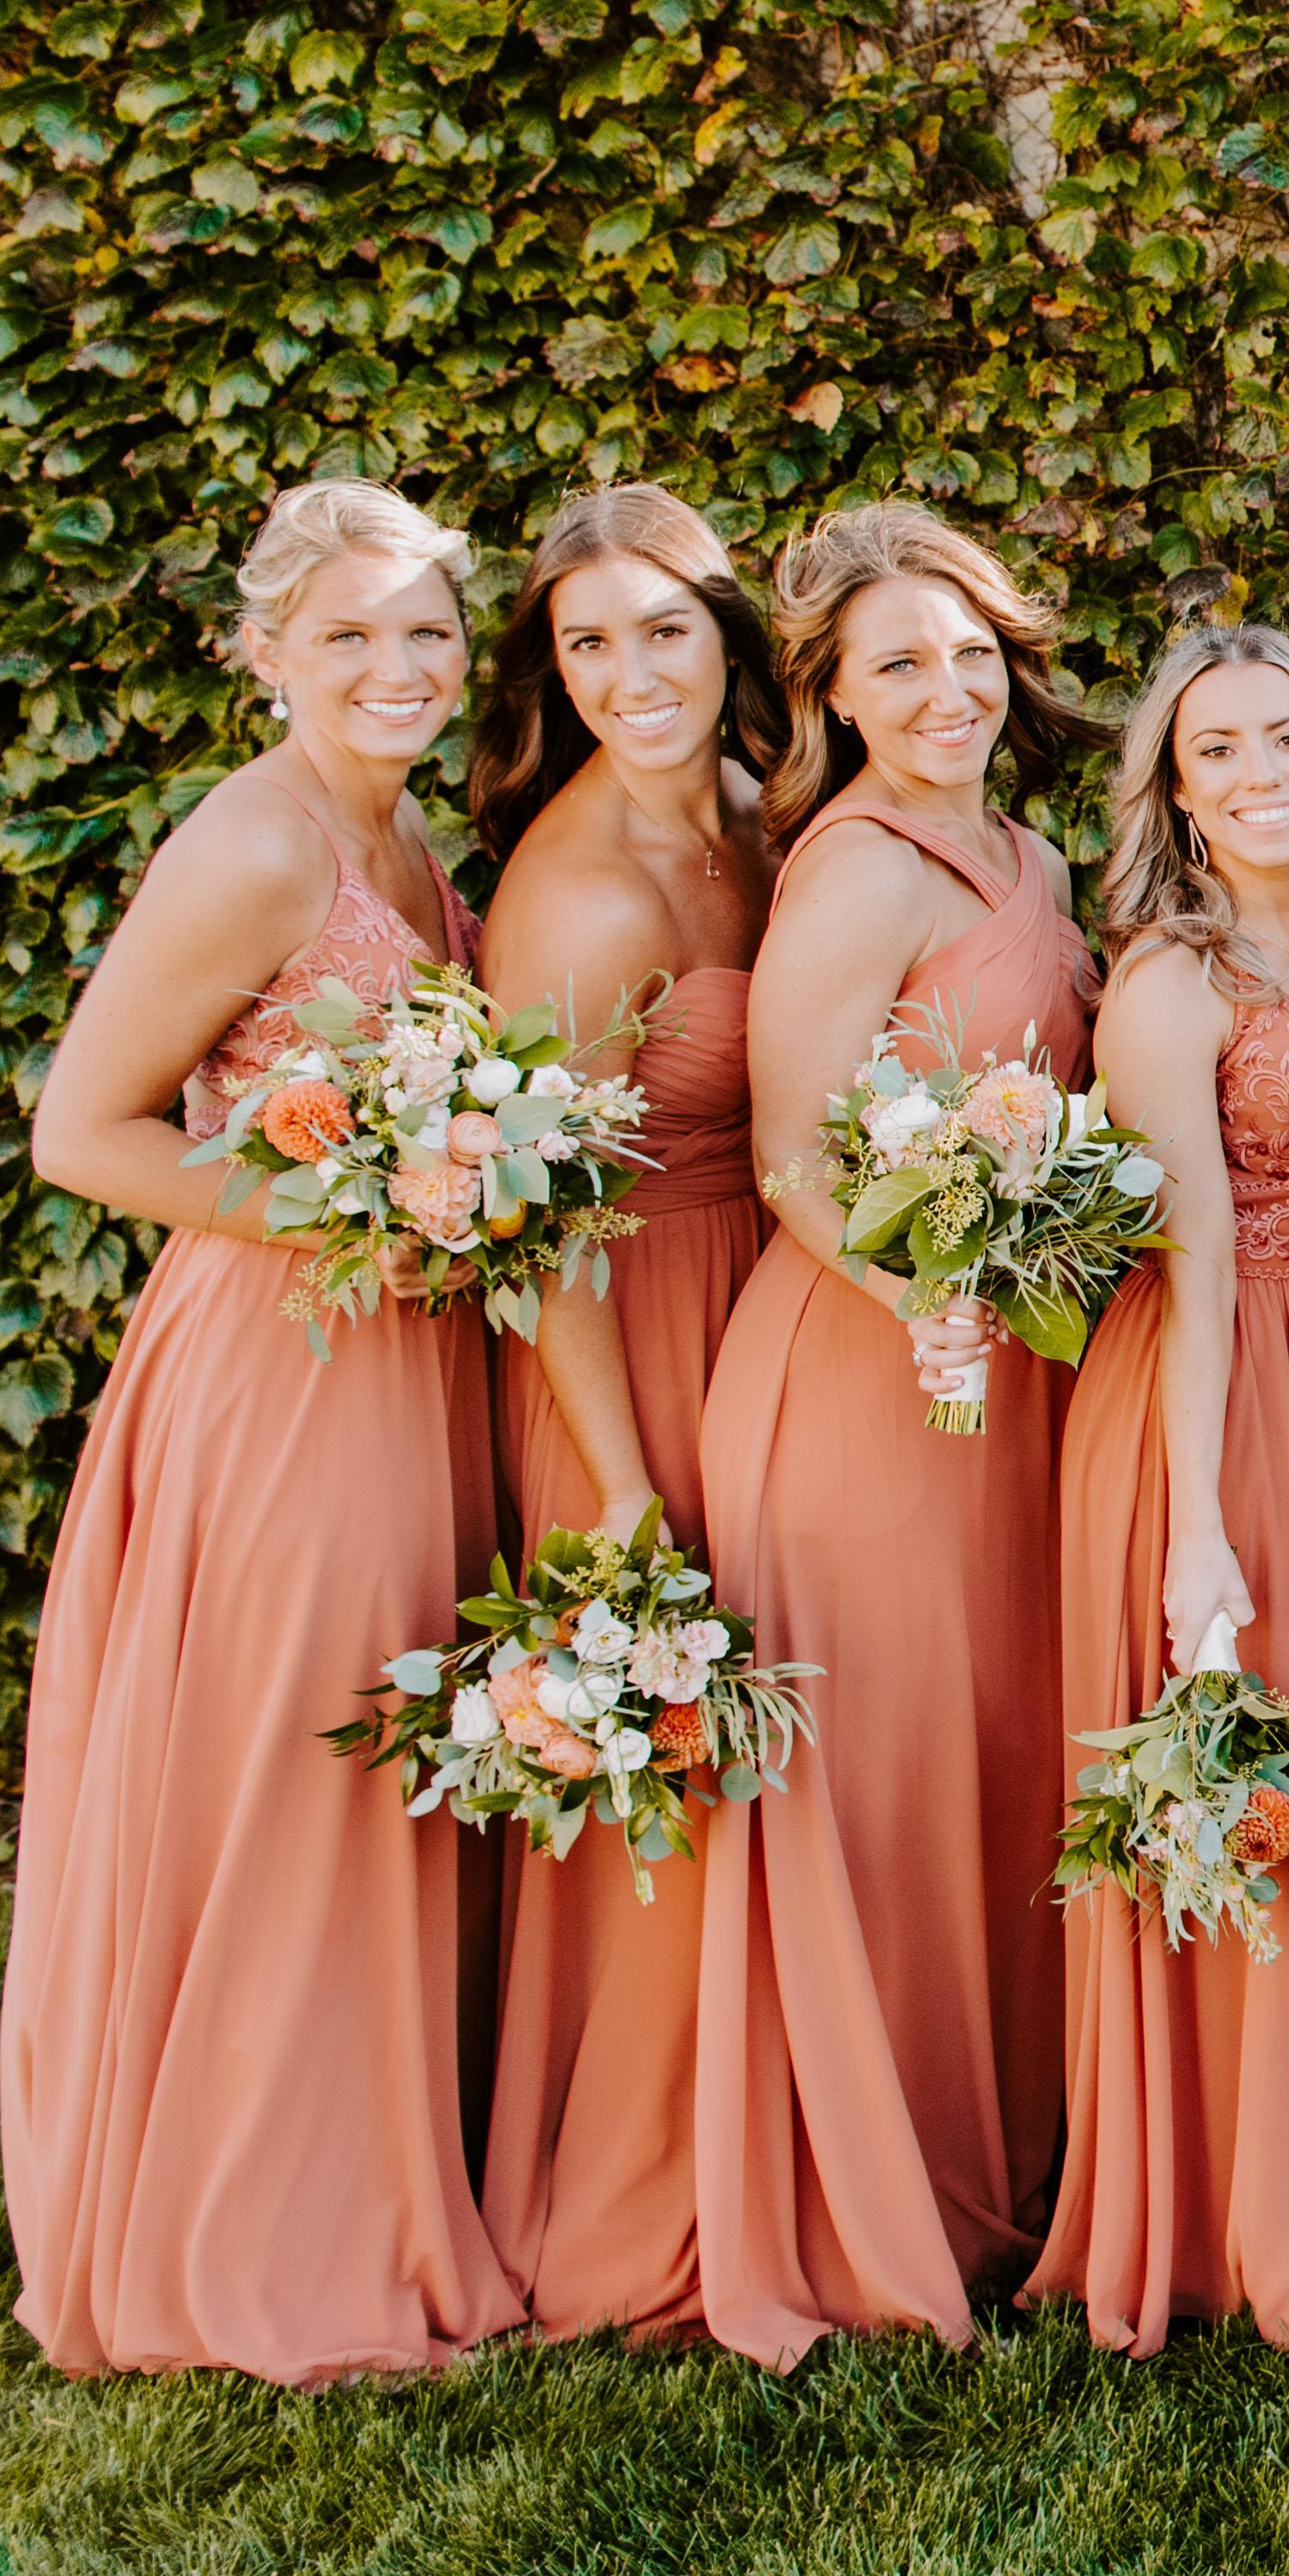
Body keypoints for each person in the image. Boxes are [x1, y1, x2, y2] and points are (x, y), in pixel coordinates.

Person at [10, 478, 521, 2381]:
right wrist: (361, 1206)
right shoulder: (251, 845)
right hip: (283, 1359)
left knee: (374, 1751)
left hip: (405, 1357)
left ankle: (374, 2174)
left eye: (425, 632)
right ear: (266, 654)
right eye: (349, 635)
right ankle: (250, 2233)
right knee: (296, 1766)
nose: (397, 666)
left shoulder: (406, 830)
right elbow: (84, 1134)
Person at [693, 502, 1101, 2364]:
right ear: (834, 699)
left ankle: (995, 2159)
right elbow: (789, 1154)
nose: (949, 690)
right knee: (881, 1778)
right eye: (900, 665)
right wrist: (914, 1294)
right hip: (874, 1364)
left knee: (985, 1761)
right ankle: (865, 2206)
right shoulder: (854, 872)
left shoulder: (1026, 850)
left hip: (1001, 1370)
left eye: (971, 653)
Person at [1031, 624, 1289, 2353]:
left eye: (1287, 740)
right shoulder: (1168, 987)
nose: (1261, 777)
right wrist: (1194, 1527)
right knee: (1239, 1747)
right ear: (1174, 793)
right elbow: (1191, 1265)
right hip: (1214, 1389)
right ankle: (1223, 2198)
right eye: (1219, 751)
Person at [462, 483, 785, 2339]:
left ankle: (790, 2109)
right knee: (681, 1714)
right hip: (626, 1331)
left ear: (726, 639)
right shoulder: (575, 891)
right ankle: (658, 2173)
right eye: (587, 643)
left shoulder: (762, 815)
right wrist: (623, 1493)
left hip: (767, 1292)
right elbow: (537, 1220)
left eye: (663, 630)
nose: (628, 673)